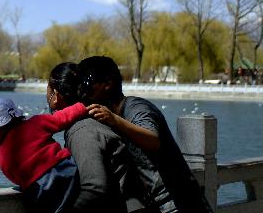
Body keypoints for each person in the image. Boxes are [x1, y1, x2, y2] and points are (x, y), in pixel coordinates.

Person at [78, 55, 213, 213]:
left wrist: (114, 119)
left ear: (107, 83)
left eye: (87, 84)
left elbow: (153, 140)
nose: (84, 92)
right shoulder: (107, 118)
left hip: (179, 202)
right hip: (157, 203)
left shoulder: (137, 108)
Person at [48, 62, 146, 213]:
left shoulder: (82, 130)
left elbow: (95, 188)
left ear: (55, 95)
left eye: (47, 90)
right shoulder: (94, 121)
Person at [0, 97, 86, 212]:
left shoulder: (1, 157)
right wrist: (82, 107)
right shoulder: (36, 123)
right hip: (67, 171)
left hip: (38, 190)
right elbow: (62, 118)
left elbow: (18, 180)